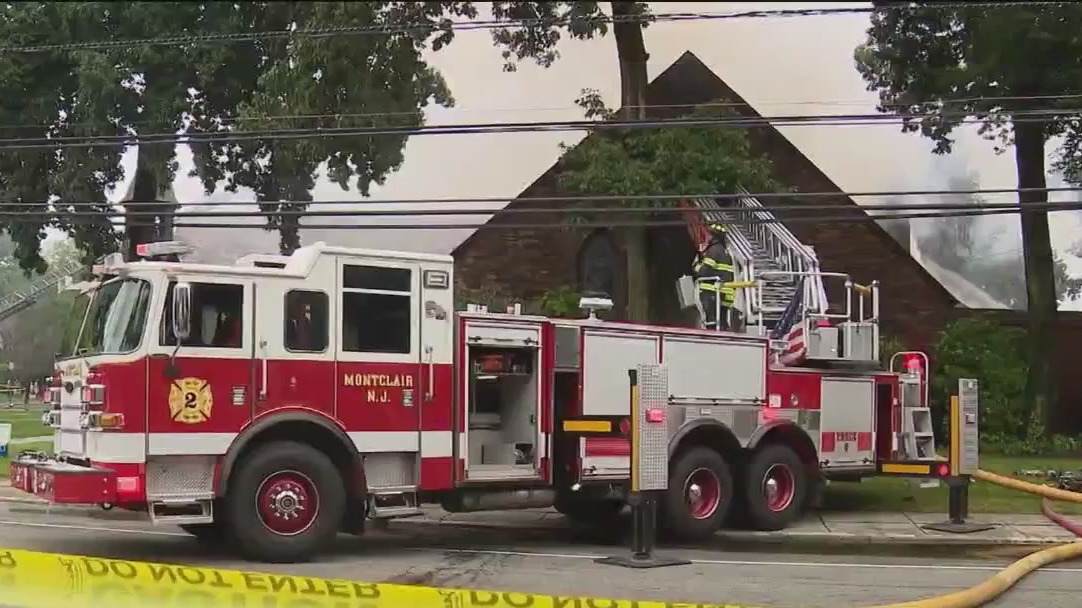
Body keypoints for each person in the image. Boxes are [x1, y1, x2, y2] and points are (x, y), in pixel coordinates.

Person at [692, 223, 737, 330]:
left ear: (714, 236)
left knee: (711, 321)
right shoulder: (725, 252)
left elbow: (703, 272)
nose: (708, 237)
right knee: (721, 321)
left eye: (709, 235)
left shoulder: (713, 251)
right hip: (725, 294)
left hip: (712, 292)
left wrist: (696, 265)